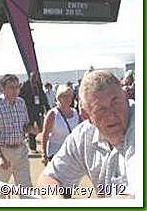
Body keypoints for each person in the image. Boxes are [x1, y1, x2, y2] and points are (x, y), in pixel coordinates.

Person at [37, 70, 135, 199]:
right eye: (100, 109)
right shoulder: (83, 135)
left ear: (126, 98)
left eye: (115, 103)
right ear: (86, 115)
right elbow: (46, 180)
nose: (111, 115)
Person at [0, 74, 33, 199]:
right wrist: (0, 156)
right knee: (1, 190)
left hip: (21, 150)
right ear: (2, 88)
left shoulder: (21, 103)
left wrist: (32, 129)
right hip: (3, 150)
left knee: (26, 189)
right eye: (11, 87)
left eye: (17, 87)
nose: (15, 90)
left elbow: (24, 126)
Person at [40, 85, 80, 165]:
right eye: (64, 96)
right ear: (58, 98)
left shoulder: (75, 113)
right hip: (55, 153)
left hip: (71, 153)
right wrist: (44, 154)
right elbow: (45, 134)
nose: (67, 98)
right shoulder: (53, 114)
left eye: (69, 96)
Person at [19, 71, 50, 153]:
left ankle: (31, 140)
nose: (34, 79)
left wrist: (47, 107)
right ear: (30, 77)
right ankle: (32, 147)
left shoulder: (38, 86)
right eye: (33, 77)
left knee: (40, 128)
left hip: (37, 110)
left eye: (35, 78)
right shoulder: (25, 86)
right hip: (28, 110)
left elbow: (43, 97)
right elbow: (20, 97)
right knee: (30, 126)